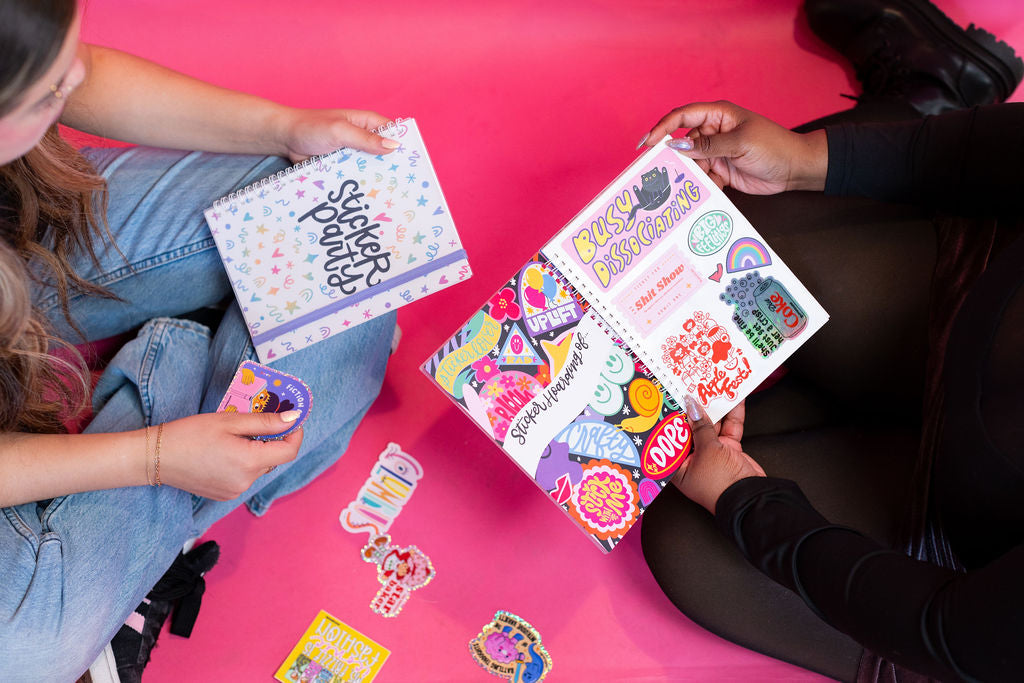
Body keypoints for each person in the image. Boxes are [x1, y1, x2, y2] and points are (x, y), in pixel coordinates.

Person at [0, 1, 401, 679]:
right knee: (24, 651)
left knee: (328, 205)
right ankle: (180, 368)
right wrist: (153, 456)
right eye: (50, 93)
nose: (76, 79)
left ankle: (133, 544)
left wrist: (287, 128)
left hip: (26, 242)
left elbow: (85, 72)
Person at [640, 1, 1023, 681]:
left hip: (961, 566)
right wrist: (804, 160)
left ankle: (924, 96)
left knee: (689, 536)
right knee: (735, 218)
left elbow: (948, 629)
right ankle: (931, 91)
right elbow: (1000, 156)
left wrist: (749, 506)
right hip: (963, 309)